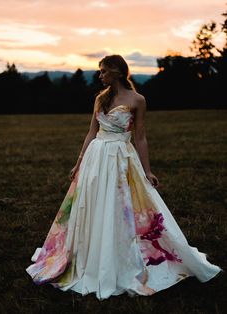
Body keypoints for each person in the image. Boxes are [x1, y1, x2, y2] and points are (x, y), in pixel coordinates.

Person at [26, 54, 222, 300]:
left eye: (104, 71)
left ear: (118, 72)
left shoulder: (137, 100)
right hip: (96, 158)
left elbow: (140, 136)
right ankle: (92, 252)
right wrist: (78, 163)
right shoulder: (100, 98)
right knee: (93, 204)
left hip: (120, 158)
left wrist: (147, 170)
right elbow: (91, 133)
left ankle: (121, 254)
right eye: (100, 71)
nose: (100, 76)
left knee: (120, 206)